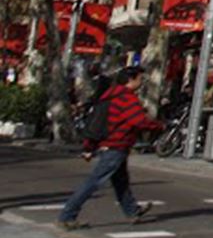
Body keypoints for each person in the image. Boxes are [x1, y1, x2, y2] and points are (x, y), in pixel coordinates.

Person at [57, 61, 161, 229]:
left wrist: (89, 147)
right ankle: (67, 215)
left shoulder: (110, 95)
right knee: (93, 182)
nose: (141, 83)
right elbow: (138, 121)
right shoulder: (127, 98)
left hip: (112, 145)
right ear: (131, 80)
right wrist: (159, 126)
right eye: (140, 79)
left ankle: (132, 211)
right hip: (116, 146)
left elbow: (98, 123)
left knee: (121, 182)